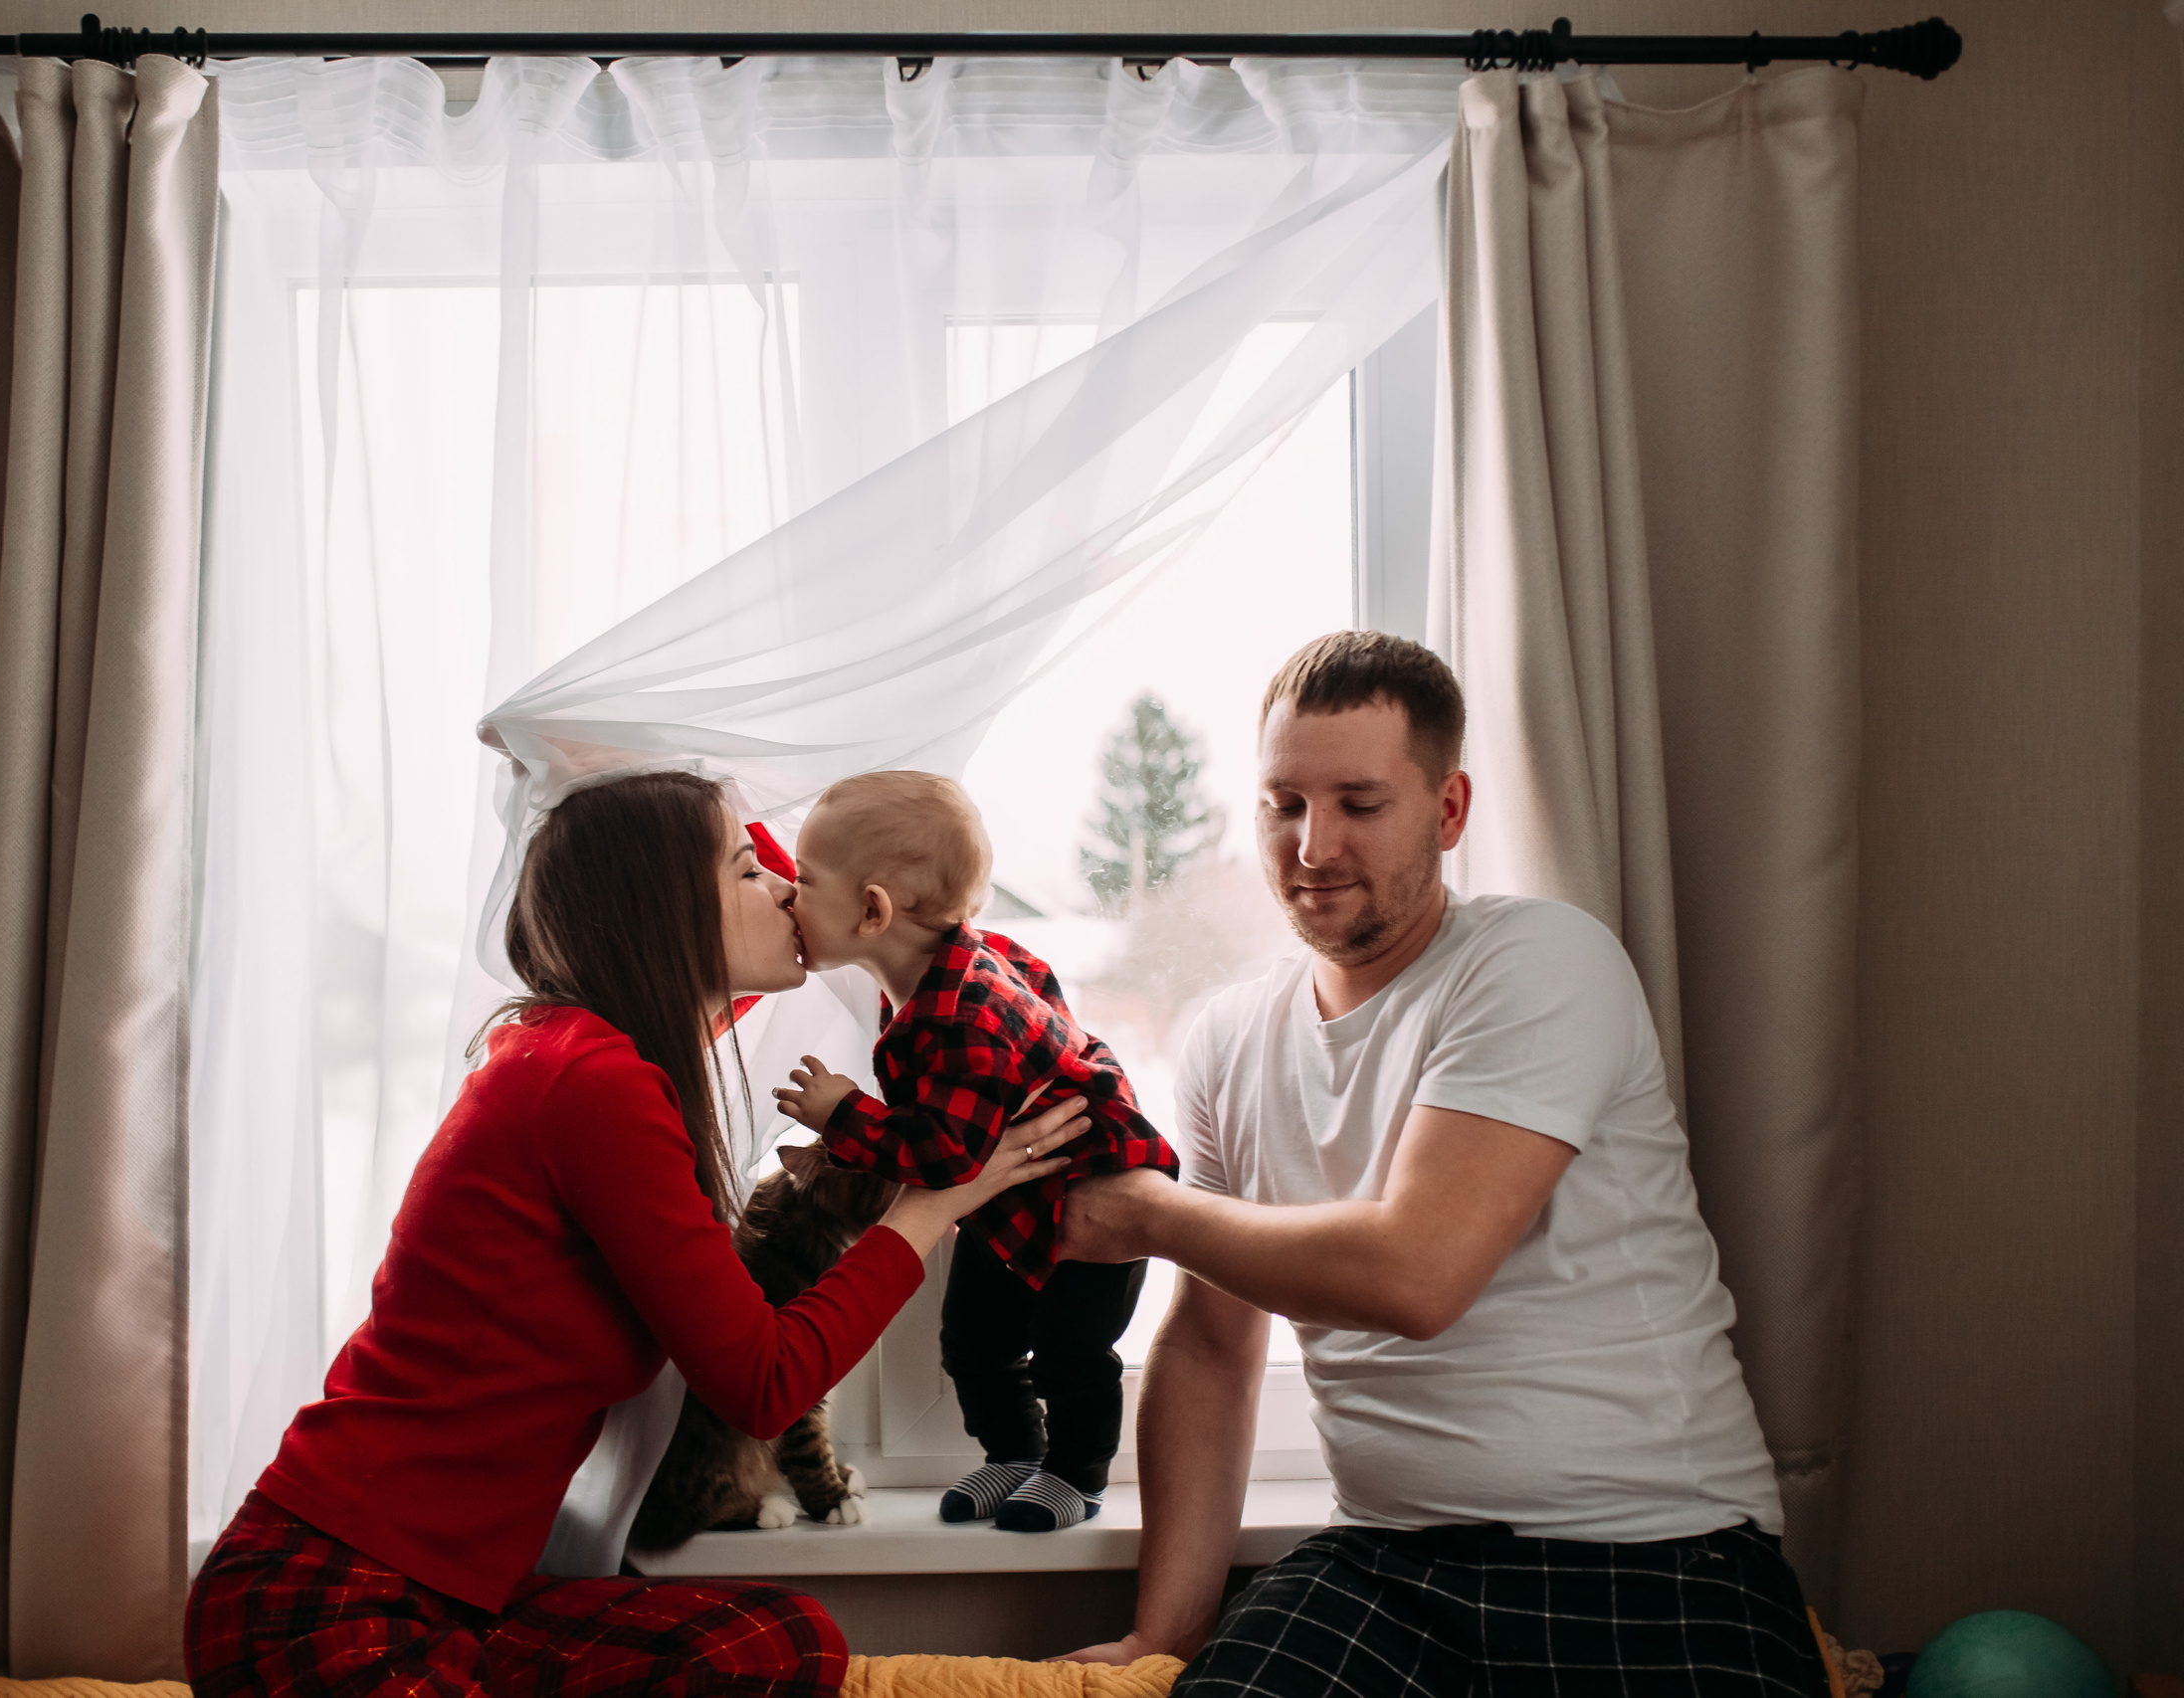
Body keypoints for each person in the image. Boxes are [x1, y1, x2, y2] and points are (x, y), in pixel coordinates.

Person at [183, 769, 1092, 1698]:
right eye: (749, 872)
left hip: (461, 1598)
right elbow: (763, 1382)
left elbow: (770, 904)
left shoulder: (593, 1049)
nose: (784, 888)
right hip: (329, 1591)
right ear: (666, 913)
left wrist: (879, 911)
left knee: (772, 1638)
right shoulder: (587, 1081)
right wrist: (937, 1201)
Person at [1053, 633, 1829, 1696]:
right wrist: (1164, 1636)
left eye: (1359, 805)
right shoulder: (1228, 1036)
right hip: (1387, 1561)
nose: (1312, 845)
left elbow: (1416, 1274)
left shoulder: (1540, 961)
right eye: (1283, 803)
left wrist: (1146, 1215)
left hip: (1657, 1553)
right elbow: (1207, 1349)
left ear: (1449, 811)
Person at [769, 771, 1177, 1534]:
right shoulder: (956, 969)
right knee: (973, 1339)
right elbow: (1046, 992)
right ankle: (1015, 1452)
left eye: (802, 881)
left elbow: (950, 1156)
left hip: (1092, 1192)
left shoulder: (964, 1016)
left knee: (1071, 1352)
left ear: (871, 910)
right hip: (1014, 1208)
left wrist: (841, 1114)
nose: (789, 896)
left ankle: (1077, 1471)